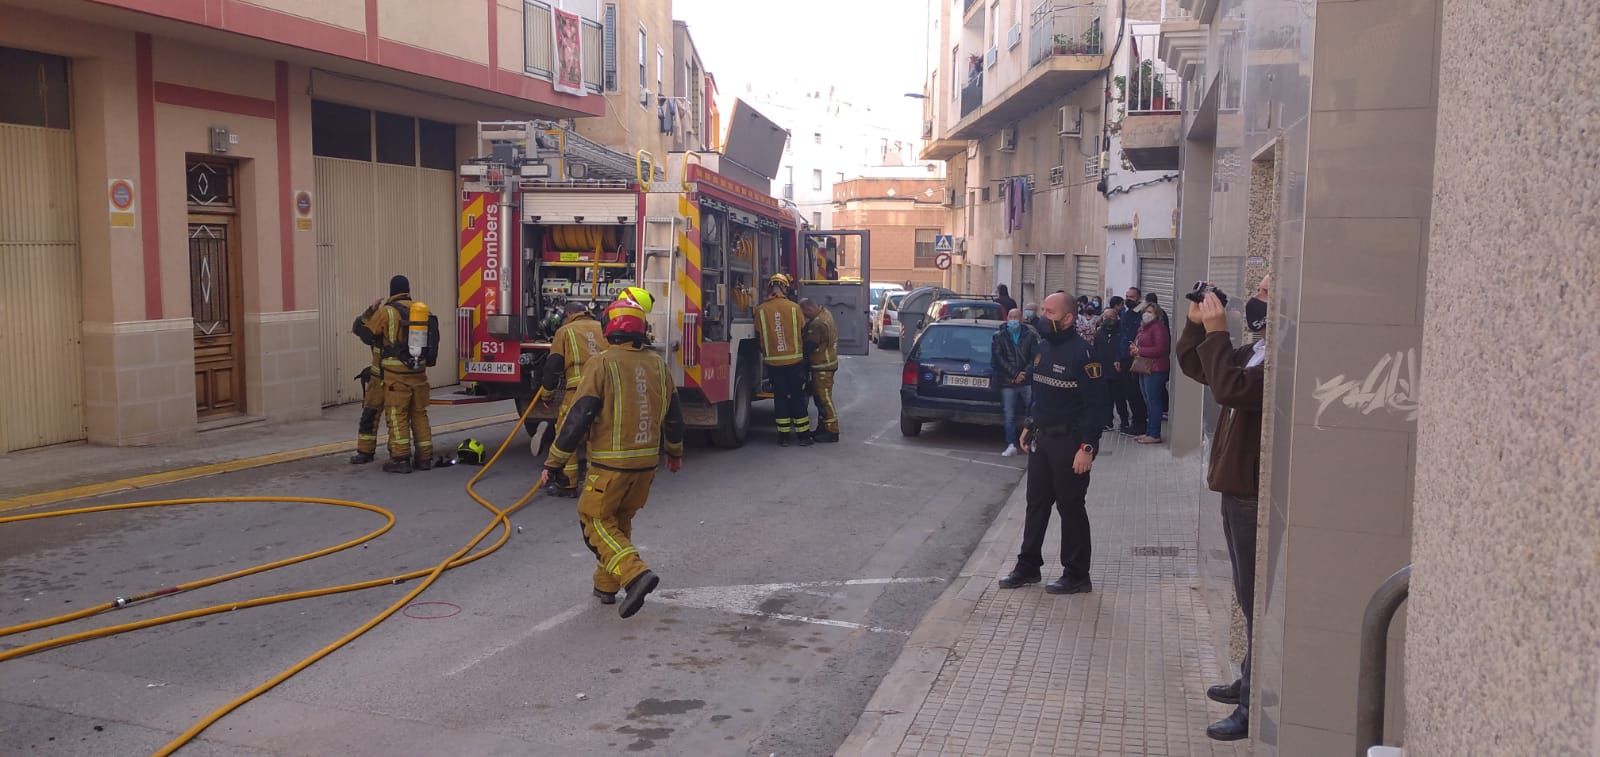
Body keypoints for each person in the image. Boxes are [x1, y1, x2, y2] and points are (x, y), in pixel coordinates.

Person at [539, 296, 685, 618]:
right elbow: (674, 416)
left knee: (593, 519)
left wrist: (554, 462)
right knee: (618, 521)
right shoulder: (659, 366)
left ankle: (635, 574)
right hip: (646, 466)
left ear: (610, 328)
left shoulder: (602, 363)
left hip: (609, 465)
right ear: (642, 331)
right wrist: (674, 453)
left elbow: (579, 416)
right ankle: (606, 586)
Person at [1175, 276, 1270, 742]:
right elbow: (1199, 367)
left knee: (1258, 603)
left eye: (1268, 290)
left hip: (1254, 496)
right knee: (1247, 594)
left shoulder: (1279, 360)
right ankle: (1251, 678)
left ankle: (1255, 703)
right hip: (1238, 492)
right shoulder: (1257, 350)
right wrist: (1198, 327)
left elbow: (1229, 389)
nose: (1257, 292)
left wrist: (1218, 332)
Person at [997, 292, 1107, 594]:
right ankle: (1028, 566)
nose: (1043, 317)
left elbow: (1096, 407)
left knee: (1070, 508)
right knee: (1036, 505)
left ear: (1069, 318)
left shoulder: (1084, 355)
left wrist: (1087, 447)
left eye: (1050, 312)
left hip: (1070, 442)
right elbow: (1042, 395)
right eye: (1043, 311)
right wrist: (1029, 426)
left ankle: (1076, 574)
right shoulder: (1042, 348)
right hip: (1042, 440)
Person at [363, 275, 432, 473]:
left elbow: (367, 334)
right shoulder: (421, 311)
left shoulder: (387, 313)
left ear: (392, 291)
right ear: (408, 290)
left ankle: (400, 459)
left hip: (396, 376)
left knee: (397, 415)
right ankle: (424, 458)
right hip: (419, 373)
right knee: (419, 414)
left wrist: (370, 312)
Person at [538, 301, 605, 498]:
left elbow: (554, 365)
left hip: (577, 392)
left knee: (568, 432)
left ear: (568, 314)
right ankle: (596, 486)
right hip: (603, 389)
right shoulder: (603, 328)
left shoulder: (564, 331)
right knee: (598, 435)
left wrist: (547, 394)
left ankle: (567, 483)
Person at [755, 273, 811, 447]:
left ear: (770, 288)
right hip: (794, 362)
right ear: (785, 288)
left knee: (779, 399)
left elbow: (758, 335)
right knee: (797, 397)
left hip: (773, 363)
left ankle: (783, 437)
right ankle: (803, 437)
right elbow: (804, 330)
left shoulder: (761, 310)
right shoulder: (795, 308)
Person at [991, 308, 1041, 457]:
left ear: (1021, 319)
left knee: (1034, 411)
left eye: (1016, 317)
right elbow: (998, 359)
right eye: (1010, 316)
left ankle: (1033, 441)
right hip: (1008, 382)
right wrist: (1014, 374)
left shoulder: (1030, 336)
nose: (1013, 319)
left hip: (1026, 382)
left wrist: (1024, 375)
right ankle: (1011, 444)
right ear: (1007, 318)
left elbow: (1035, 358)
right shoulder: (999, 336)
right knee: (1009, 415)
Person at [348, 297, 392, 465]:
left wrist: (371, 311)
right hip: (378, 380)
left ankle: (398, 456)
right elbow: (358, 328)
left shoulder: (392, 323)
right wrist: (370, 311)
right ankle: (366, 452)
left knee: (394, 420)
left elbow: (360, 328)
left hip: (393, 379)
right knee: (370, 416)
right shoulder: (377, 325)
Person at [799, 298, 841, 443]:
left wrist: (799, 359)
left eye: (804, 313)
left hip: (822, 366)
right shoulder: (825, 313)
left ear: (809, 309)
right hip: (827, 364)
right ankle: (822, 428)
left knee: (824, 400)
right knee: (820, 399)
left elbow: (810, 345)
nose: (804, 316)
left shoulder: (817, 324)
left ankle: (832, 431)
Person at [1129, 301, 1171, 443]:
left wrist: (1140, 350)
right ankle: (1149, 432)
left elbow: (1161, 349)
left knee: (1154, 401)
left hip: (1155, 368)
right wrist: (1134, 349)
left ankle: (1154, 434)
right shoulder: (1143, 328)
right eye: (1146, 311)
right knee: (1148, 401)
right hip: (1143, 367)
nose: (1147, 314)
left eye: (1150, 312)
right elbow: (1138, 343)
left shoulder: (1159, 328)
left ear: (1156, 314)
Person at [1118, 288, 1149, 436]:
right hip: (1124, 356)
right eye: (1126, 296)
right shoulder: (1124, 313)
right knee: (1128, 392)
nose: (1128, 299)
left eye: (1131, 297)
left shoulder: (1143, 313)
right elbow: (1122, 336)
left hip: (1137, 357)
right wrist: (1117, 358)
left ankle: (1140, 423)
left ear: (1138, 298)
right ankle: (1135, 421)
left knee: (1137, 392)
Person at [1093, 303, 1122, 430]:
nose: (1108, 320)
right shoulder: (1099, 333)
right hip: (1103, 370)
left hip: (1117, 371)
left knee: (1119, 398)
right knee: (1104, 398)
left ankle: (1124, 421)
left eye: (1111, 317)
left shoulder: (1121, 332)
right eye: (1106, 317)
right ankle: (1106, 421)